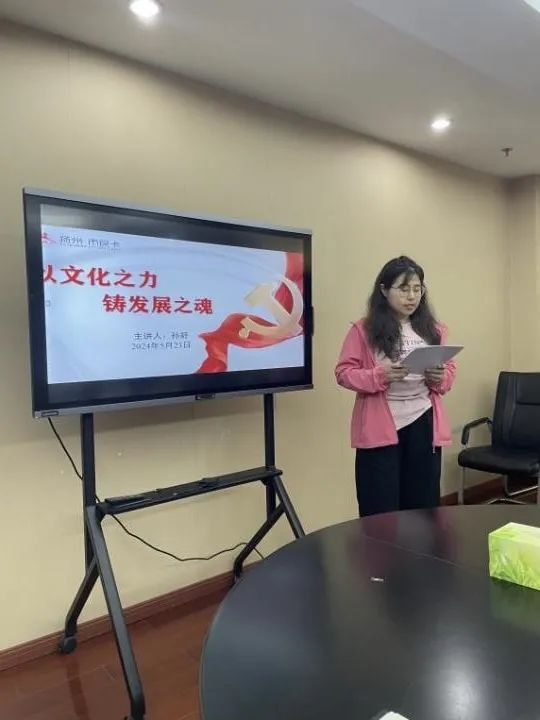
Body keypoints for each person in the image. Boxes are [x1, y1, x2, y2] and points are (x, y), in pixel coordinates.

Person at [335, 256, 456, 517]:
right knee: (380, 508)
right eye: (403, 289)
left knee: (423, 506)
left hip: (424, 423)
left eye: (417, 289)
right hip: (380, 426)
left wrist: (439, 377)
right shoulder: (364, 330)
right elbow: (344, 373)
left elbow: (449, 372)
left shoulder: (433, 330)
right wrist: (380, 375)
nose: (411, 297)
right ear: (384, 290)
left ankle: (421, 546)